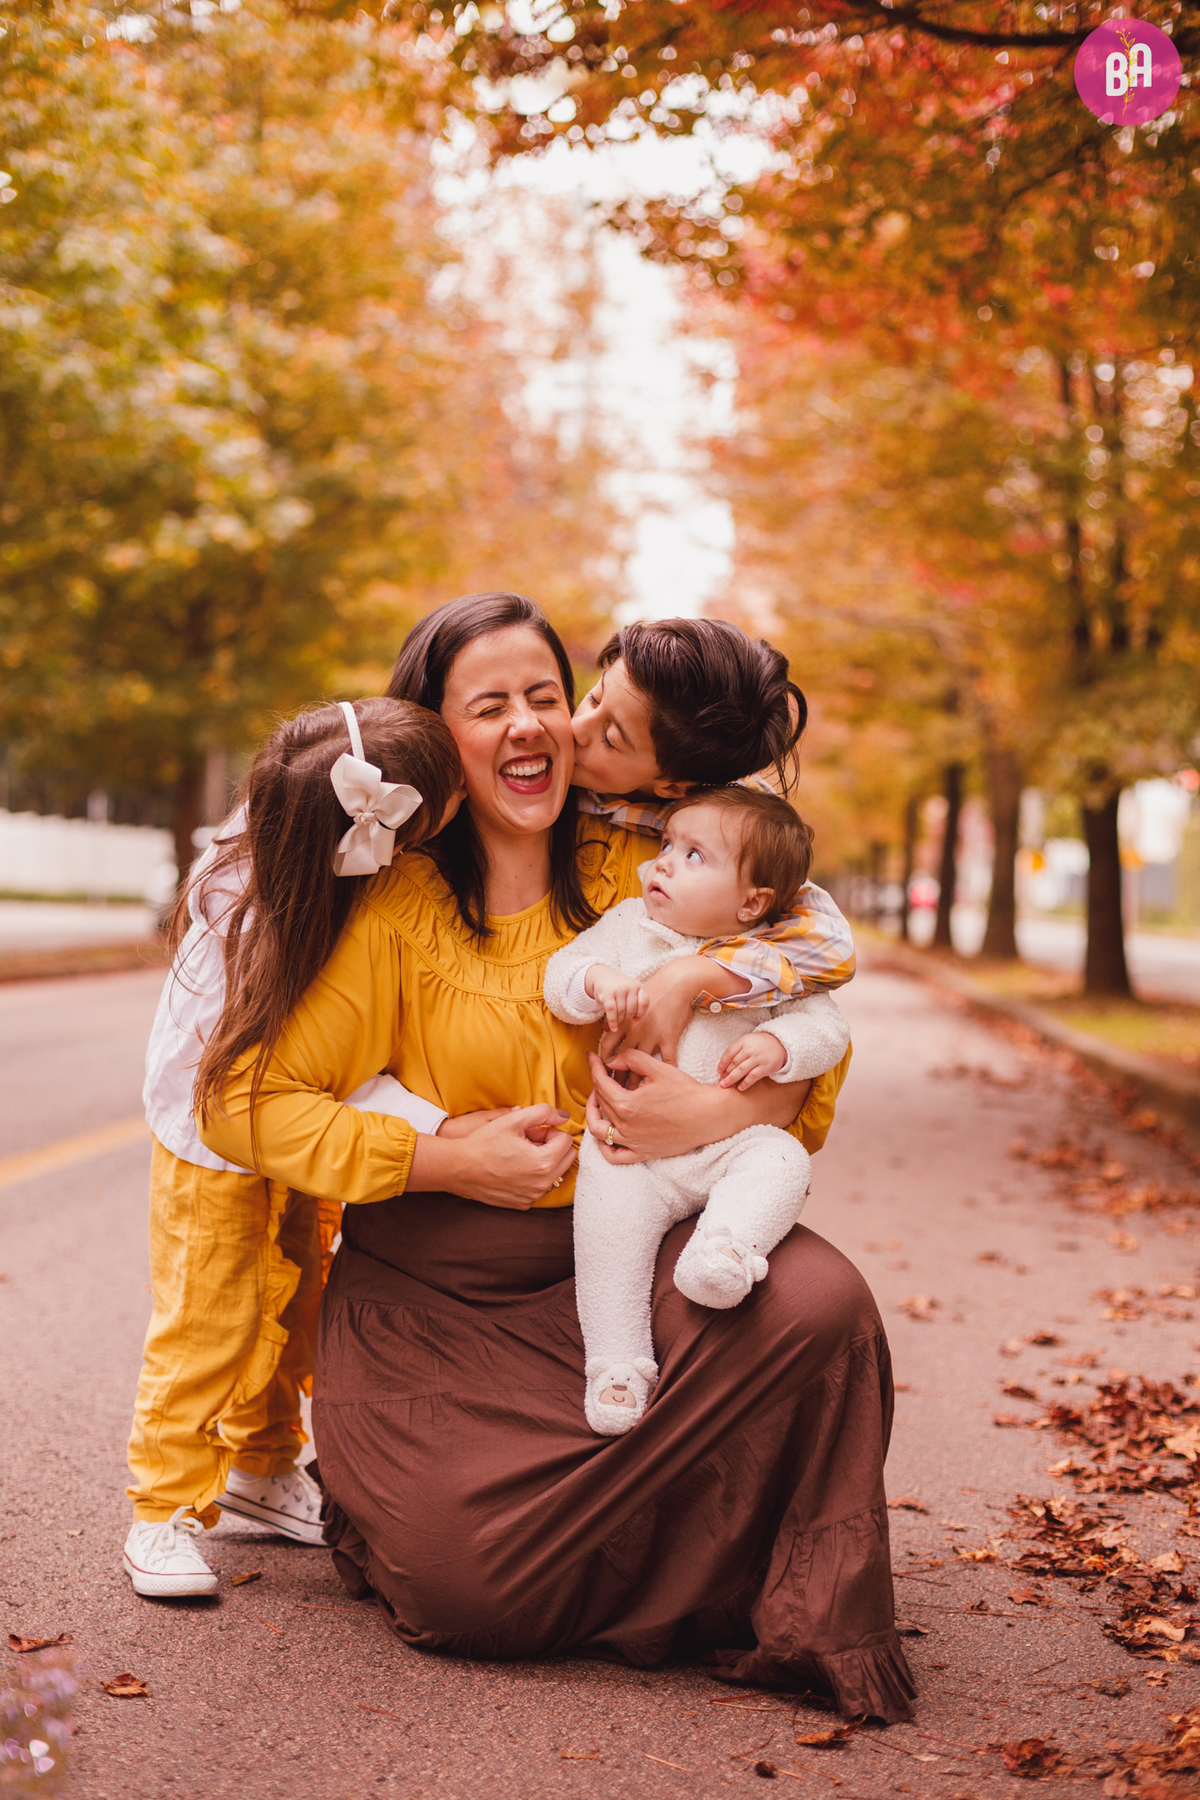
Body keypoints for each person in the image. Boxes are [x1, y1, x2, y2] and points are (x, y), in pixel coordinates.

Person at [199, 592, 915, 1724]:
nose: (538, 726)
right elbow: (242, 1103)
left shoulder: (656, 862)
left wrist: (712, 1104)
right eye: (491, 707)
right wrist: (443, 1161)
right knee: (465, 1583)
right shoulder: (395, 902)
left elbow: (816, 1028)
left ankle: (673, 1556)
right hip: (441, 1300)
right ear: (438, 735)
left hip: (617, 1268)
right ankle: (660, 1547)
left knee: (821, 1303)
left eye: (548, 696)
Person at [124, 698, 470, 1599]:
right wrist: (430, 1124)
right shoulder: (256, 912)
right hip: (211, 1142)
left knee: (294, 1294)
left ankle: (263, 1465)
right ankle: (161, 1508)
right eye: (434, 815)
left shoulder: (307, 851)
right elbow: (279, 1061)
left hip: (289, 1133)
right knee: (213, 1322)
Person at [544, 787, 850, 1434]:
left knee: (781, 1157)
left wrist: (778, 1042)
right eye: (665, 848)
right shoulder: (631, 927)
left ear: (751, 902)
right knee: (606, 1233)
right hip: (632, 1153)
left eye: (693, 855)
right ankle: (617, 1368)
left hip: (724, 1147)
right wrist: (599, 982)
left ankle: (726, 1248)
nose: (662, 866)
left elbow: (827, 1030)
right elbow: (562, 975)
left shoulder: (769, 960)